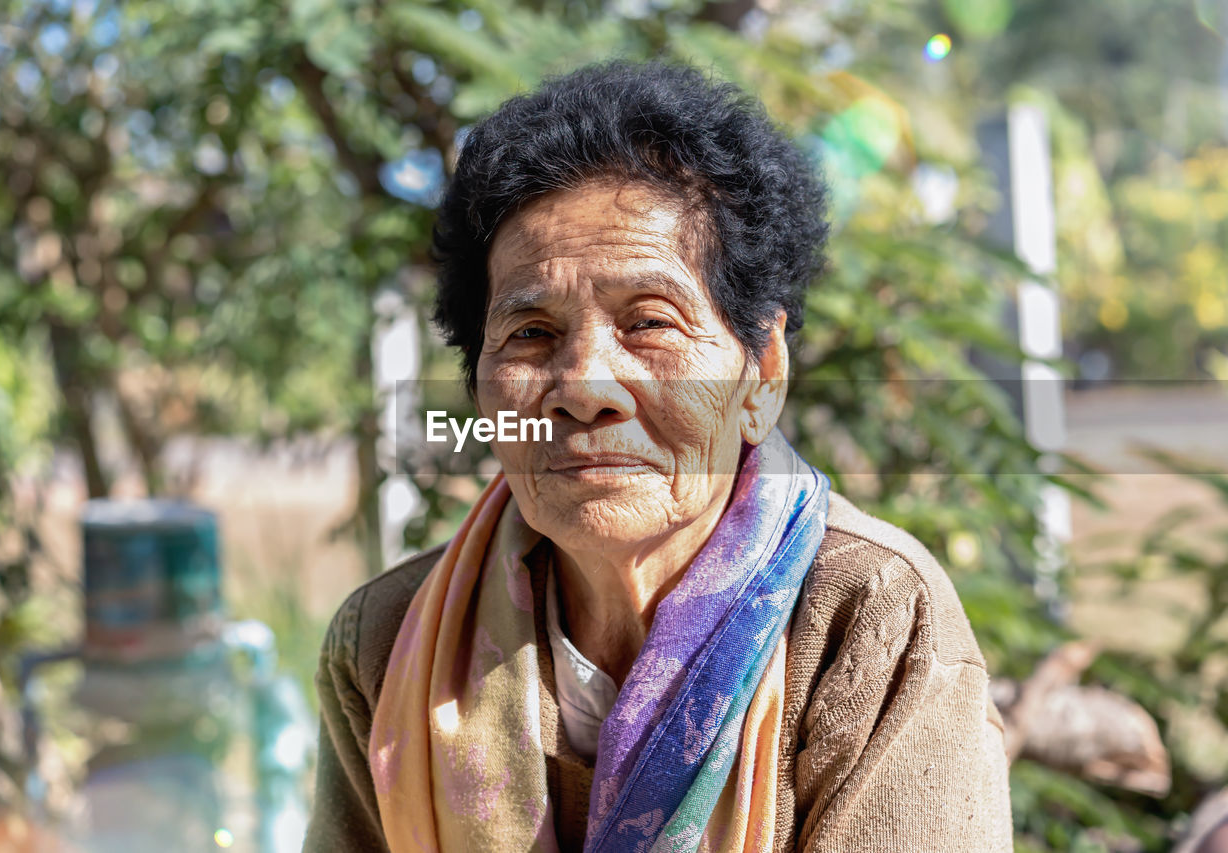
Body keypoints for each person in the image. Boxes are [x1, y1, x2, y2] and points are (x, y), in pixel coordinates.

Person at [303, 60, 1012, 852]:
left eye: (649, 322)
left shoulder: (866, 616)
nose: (584, 387)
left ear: (762, 371)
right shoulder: (388, 642)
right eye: (530, 334)